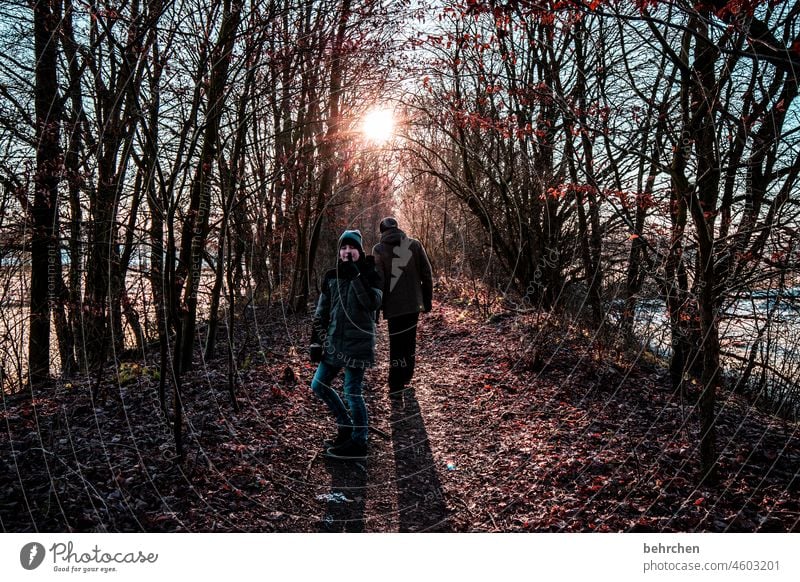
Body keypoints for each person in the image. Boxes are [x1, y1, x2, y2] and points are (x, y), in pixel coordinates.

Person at [309, 230, 382, 460]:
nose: (347, 252)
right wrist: (315, 342)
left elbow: (372, 304)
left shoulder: (372, 273)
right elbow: (321, 313)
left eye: (352, 248)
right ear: (339, 251)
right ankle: (346, 427)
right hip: (333, 343)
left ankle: (359, 443)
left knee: (352, 391)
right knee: (318, 385)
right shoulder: (331, 276)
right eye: (343, 248)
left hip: (358, 344)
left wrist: (356, 277)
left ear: (359, 250)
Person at [372, 217, 433, 395]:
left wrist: (376, 309)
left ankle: (395, 384)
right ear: (397, 228)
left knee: (396, 344)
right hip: (414, 304)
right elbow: (427, 273)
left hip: (393, 307)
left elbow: (379, 281)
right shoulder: (414, 244)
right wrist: (427, 300)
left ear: (382, 231)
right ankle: (406, 376)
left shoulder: (379, 249)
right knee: (409, 341)